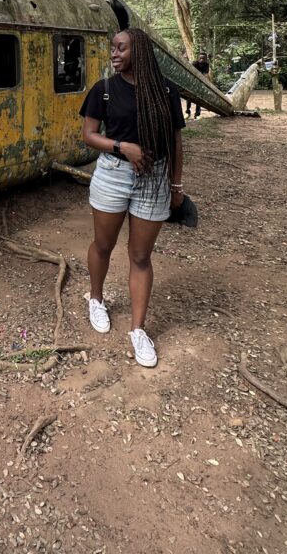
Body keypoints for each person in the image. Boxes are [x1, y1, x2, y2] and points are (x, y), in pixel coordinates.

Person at [79, 28, 185, 368]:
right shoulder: (105, 90)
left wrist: (176, 185)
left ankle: (138, 330)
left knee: (141, 256)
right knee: (103, 245)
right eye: (113, 48)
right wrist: (122, 147)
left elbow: (176, 142)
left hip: (154, 180)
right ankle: (96, 298)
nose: (115, 53)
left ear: (138, 50)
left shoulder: (166, 90)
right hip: (113, 173)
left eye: (121, 48)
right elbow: (88, 136)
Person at [185, 51, 211, 119]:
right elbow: (191, 72)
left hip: (200, 83)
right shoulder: (194, 63)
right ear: (198, 58)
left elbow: (206, 73)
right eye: (200, 58)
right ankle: (187, 112)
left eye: (203, 58)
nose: (202, 60)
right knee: (189, 98)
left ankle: (197, 114)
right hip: (192, 82)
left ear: (205, 59)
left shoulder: (206, 64)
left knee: (199, 99)